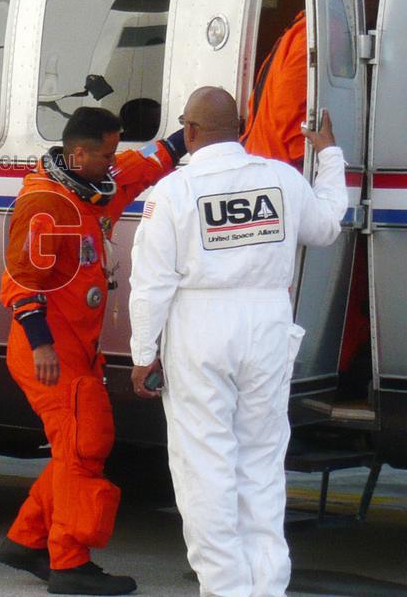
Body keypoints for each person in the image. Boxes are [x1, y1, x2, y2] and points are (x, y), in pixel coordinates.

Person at [129, 87, 346, 597]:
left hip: (201, 326)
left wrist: (143, 354)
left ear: (191, 131)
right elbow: (327, 226)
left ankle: (225, 588)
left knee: (204, 465)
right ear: (241, 126)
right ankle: (267, 587)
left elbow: (152, 282)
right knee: (262, 462)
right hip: (268, 322)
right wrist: (330, 155)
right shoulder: (281, 179)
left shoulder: (175, 193)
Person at [0, 107, 183, 596]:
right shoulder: (46, 205)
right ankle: (69, 563)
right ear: (78, 155)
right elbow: (21, 282)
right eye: (105, 153)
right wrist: (41, 345)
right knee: (85, 446)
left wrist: (187, 139)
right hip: (50, 352)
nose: (112, 161)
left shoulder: (90, 192)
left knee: (72, 451)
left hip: (76, 349)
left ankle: (27, 540)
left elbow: (140, 169)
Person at [240, 11, 307, 167]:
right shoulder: (312, 34)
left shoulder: (297, 31)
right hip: (280, 167)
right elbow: (289, 104)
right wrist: (308, 158)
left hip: (263, 161)